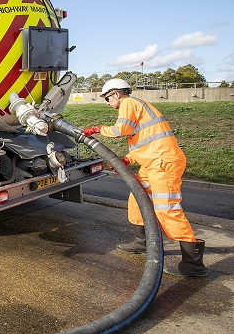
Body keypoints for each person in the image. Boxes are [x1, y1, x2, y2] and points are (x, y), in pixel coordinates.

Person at [83, 79, 207, 277]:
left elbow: (120, 130)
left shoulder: (129, 103)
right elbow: (145, 142)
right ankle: (141, 242)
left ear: (117, 94)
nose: (107, 102)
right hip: (152, 163)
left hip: (163, 164)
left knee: (167, 210)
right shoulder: (137, 109)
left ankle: (193, 264)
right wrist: (127, 159)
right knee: (137, 199)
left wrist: (97, 129)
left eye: (107, 98)